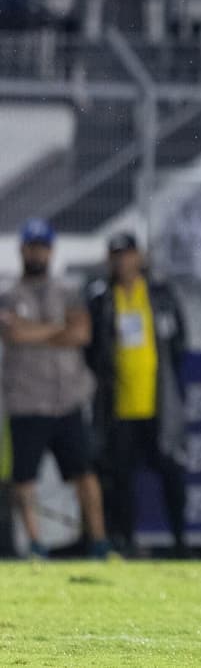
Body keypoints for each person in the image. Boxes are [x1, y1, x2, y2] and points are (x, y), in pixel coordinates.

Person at [0, 218, 110, 559]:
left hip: (67, 398)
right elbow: (13, 334)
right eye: (32, 246)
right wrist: (57, 329)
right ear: (22, 250)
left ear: (50, 250)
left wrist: (35, 332)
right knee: (25, 477)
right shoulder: (9, 295)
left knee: (83, 472)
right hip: (26, 400)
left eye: (42, 247)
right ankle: (35, 543)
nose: (37, 253)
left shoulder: (68, 291)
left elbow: (81, 334)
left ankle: (98, 541)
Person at [86, 232, 189, 558]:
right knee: (121, 478)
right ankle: (126, 541)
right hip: (119, 405)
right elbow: (93, 351)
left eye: (127, 253)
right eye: (116, 254)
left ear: (139, 257)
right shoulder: (101, 298)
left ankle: (179, 542)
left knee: (171, 472)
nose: (122, 261)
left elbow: (179, 342)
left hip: (158, 404)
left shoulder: (159, 295)